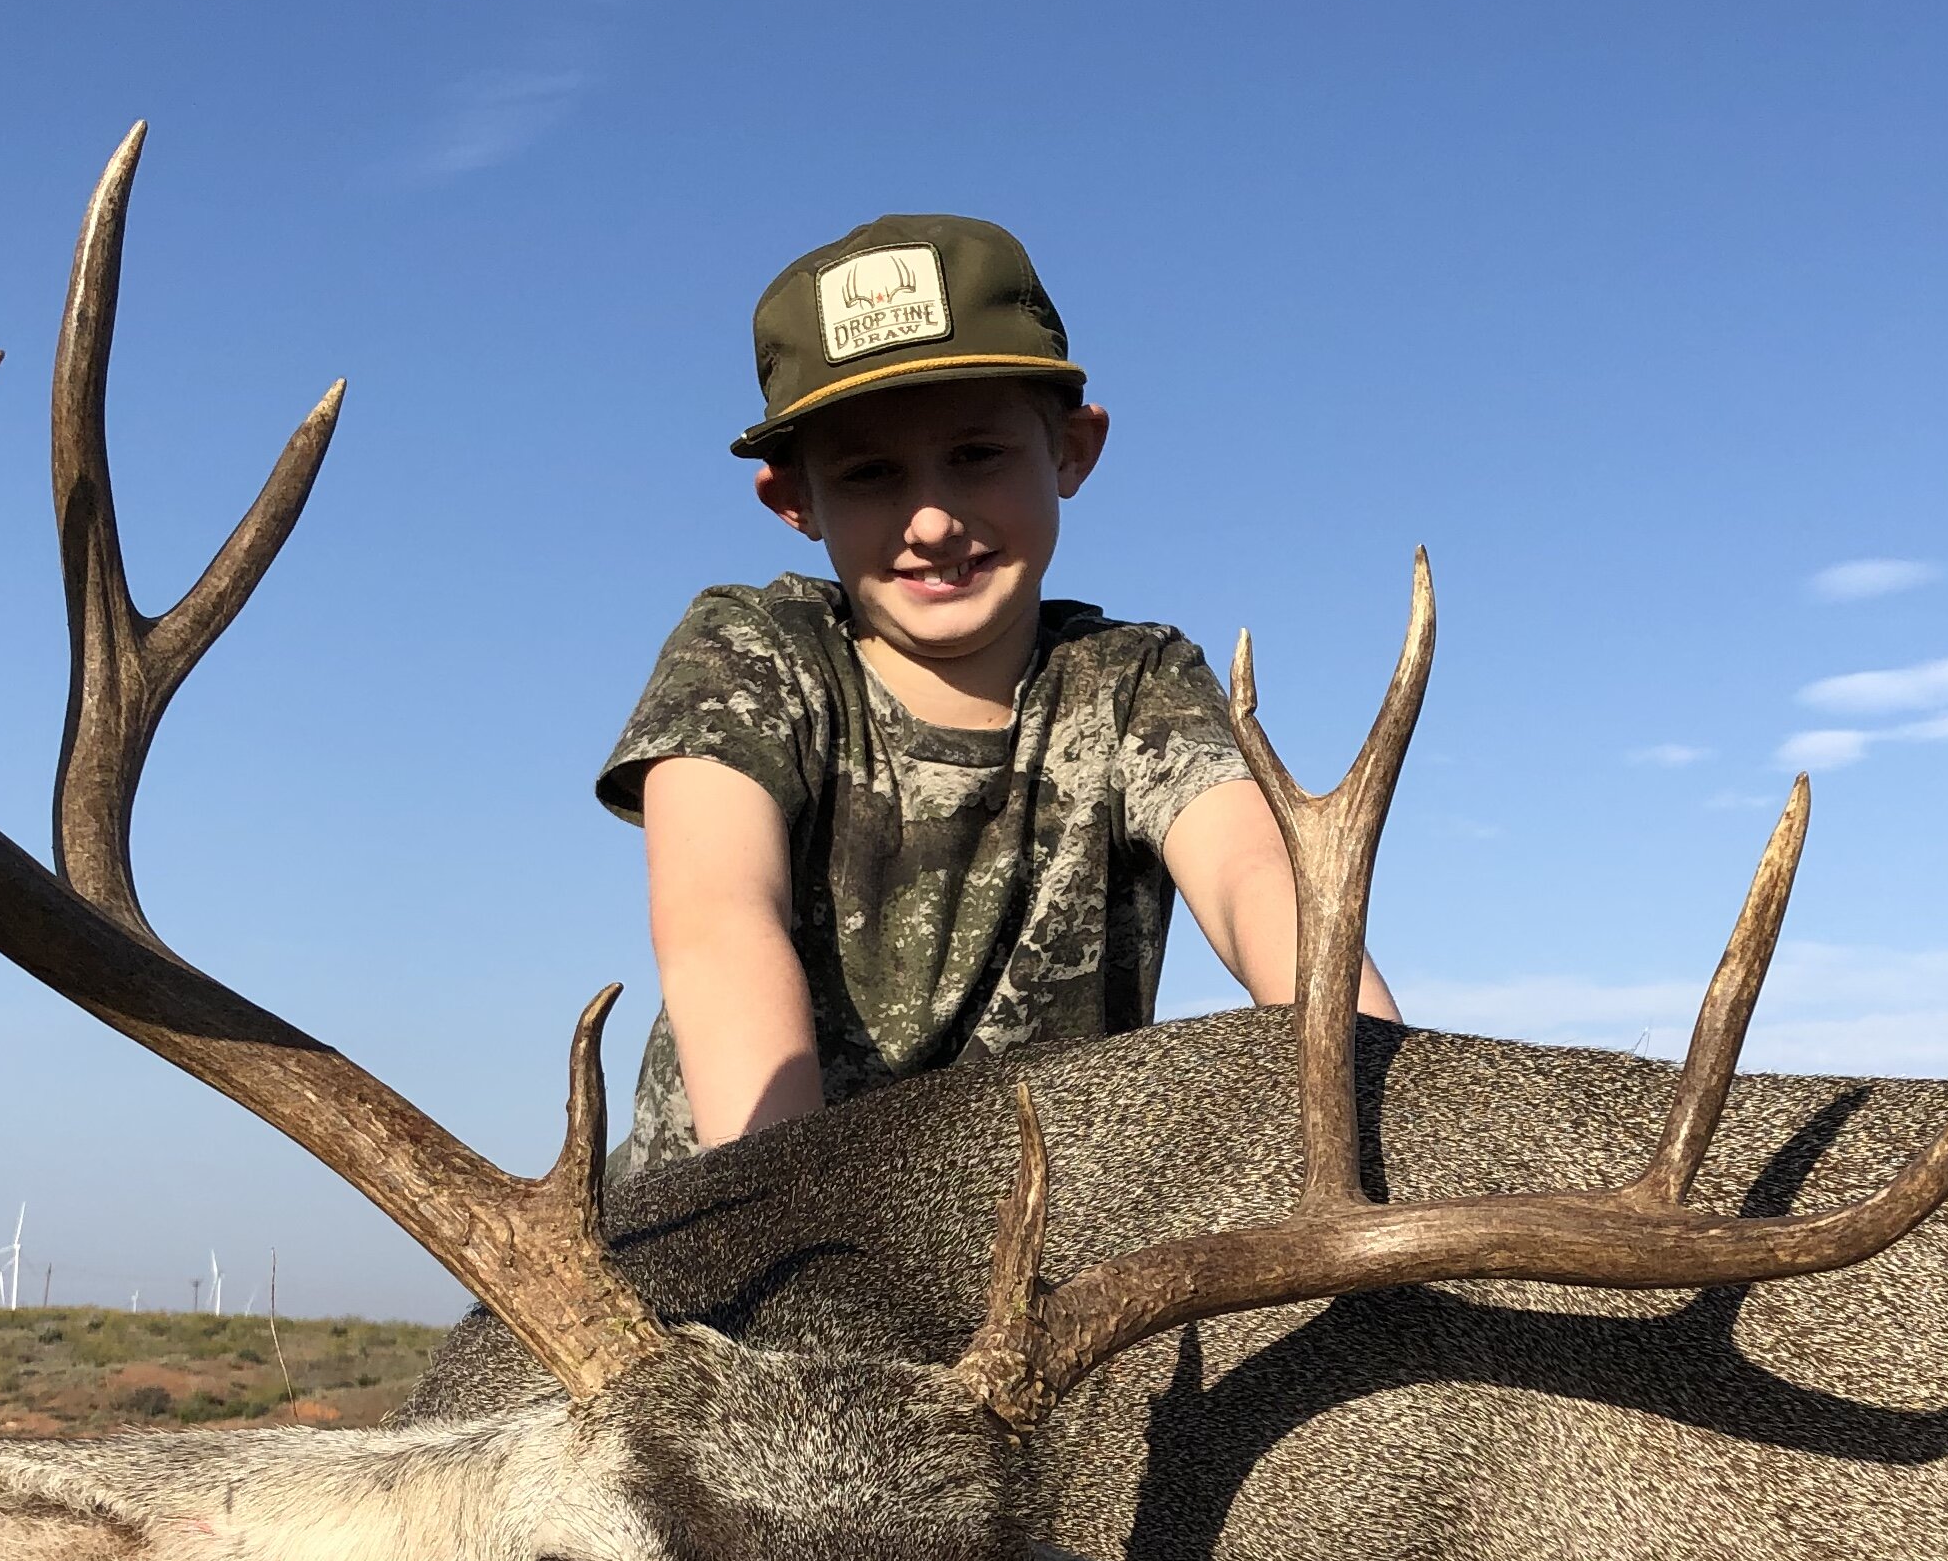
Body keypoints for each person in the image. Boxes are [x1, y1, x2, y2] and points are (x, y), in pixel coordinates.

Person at [595, 213, 1393, 1174]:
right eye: (870, 474)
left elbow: (1256, 882)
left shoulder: (1134, 684)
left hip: (1033, 1250)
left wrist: (1389, 1126)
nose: (931, 519)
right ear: (794, 502)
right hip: (748, 1237)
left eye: (977, 455)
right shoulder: (752, 654)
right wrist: (782, 1218)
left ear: (1072, 449)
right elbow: (719, 921)